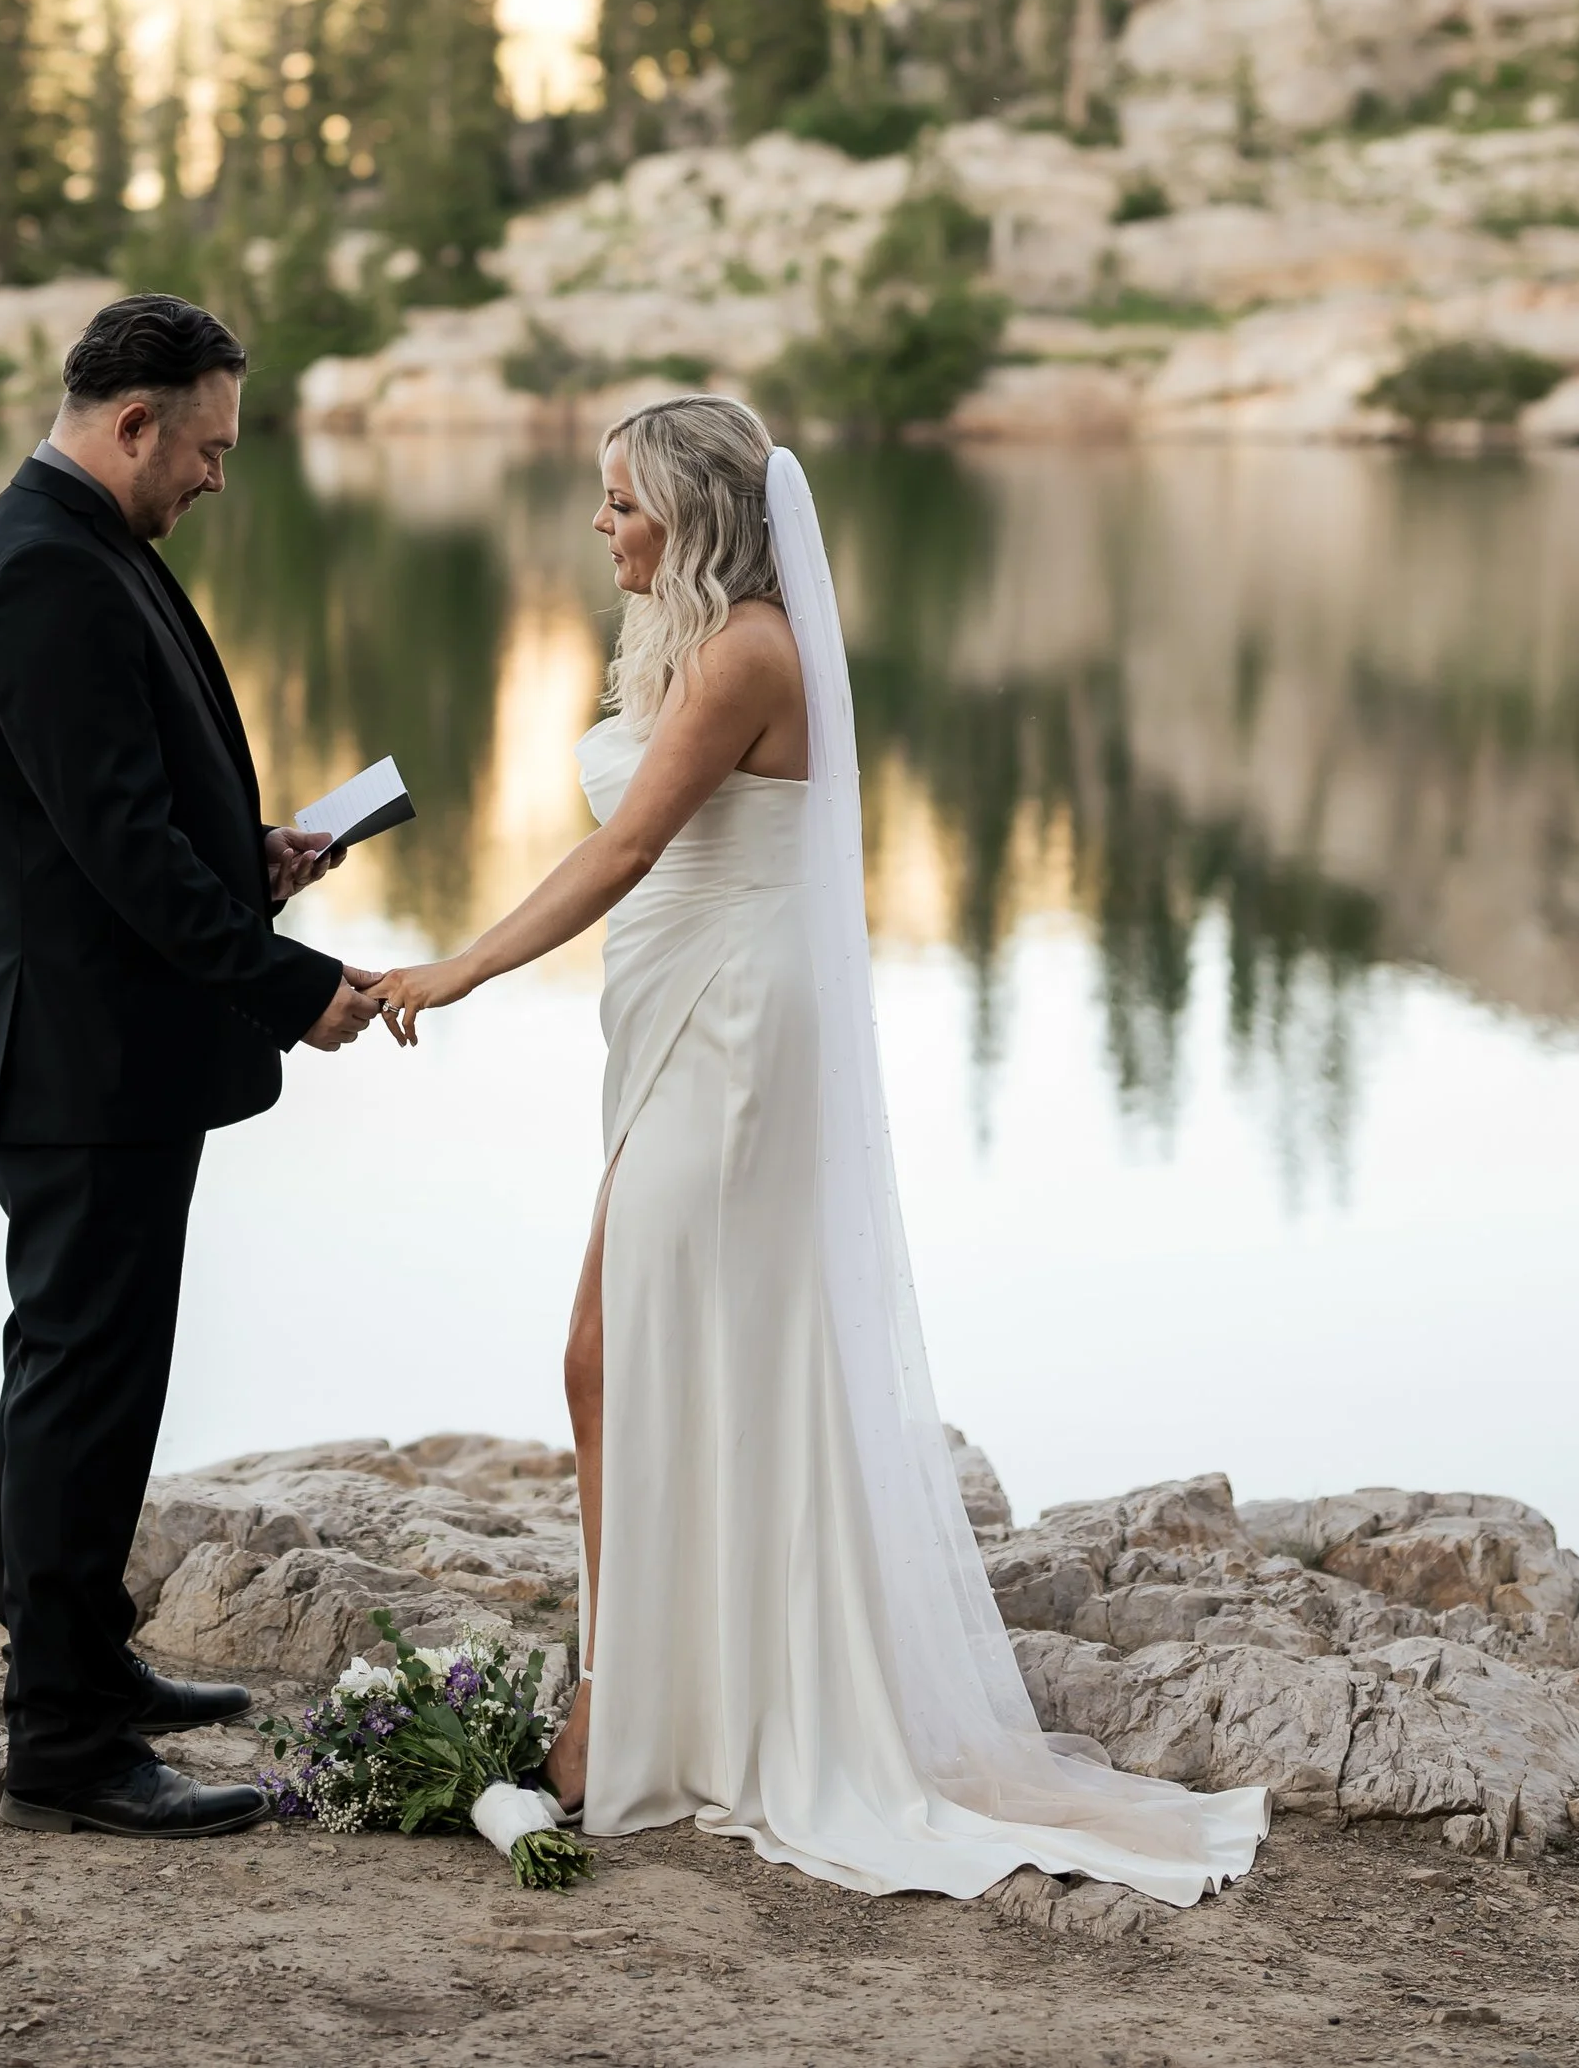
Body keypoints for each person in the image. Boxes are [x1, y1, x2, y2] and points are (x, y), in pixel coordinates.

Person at [369, 394, 1266, 1905]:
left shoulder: (750, 653)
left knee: (619, 1347)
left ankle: (636, 1706)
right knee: (620, 1351)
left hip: (733, 1038)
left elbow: (628, 848)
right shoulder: (693, 641)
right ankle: (651, 1688)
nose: (603, 526)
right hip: (684, 1019)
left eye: (625, 503)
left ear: (699, 511)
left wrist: (450, 973)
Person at [0, 292, 383, 1841]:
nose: (213, 476)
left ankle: (90, 1660)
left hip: (108, 1052)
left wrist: (245, 857)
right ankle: (61, 1738)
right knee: (77, 1378)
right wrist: (287, 984)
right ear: (134, 422)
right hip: (75, 1062)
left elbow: (121, 819)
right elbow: (118, 853)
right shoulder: (47, 573)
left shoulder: (82, 545)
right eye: (205, 447)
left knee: (103, 1376)